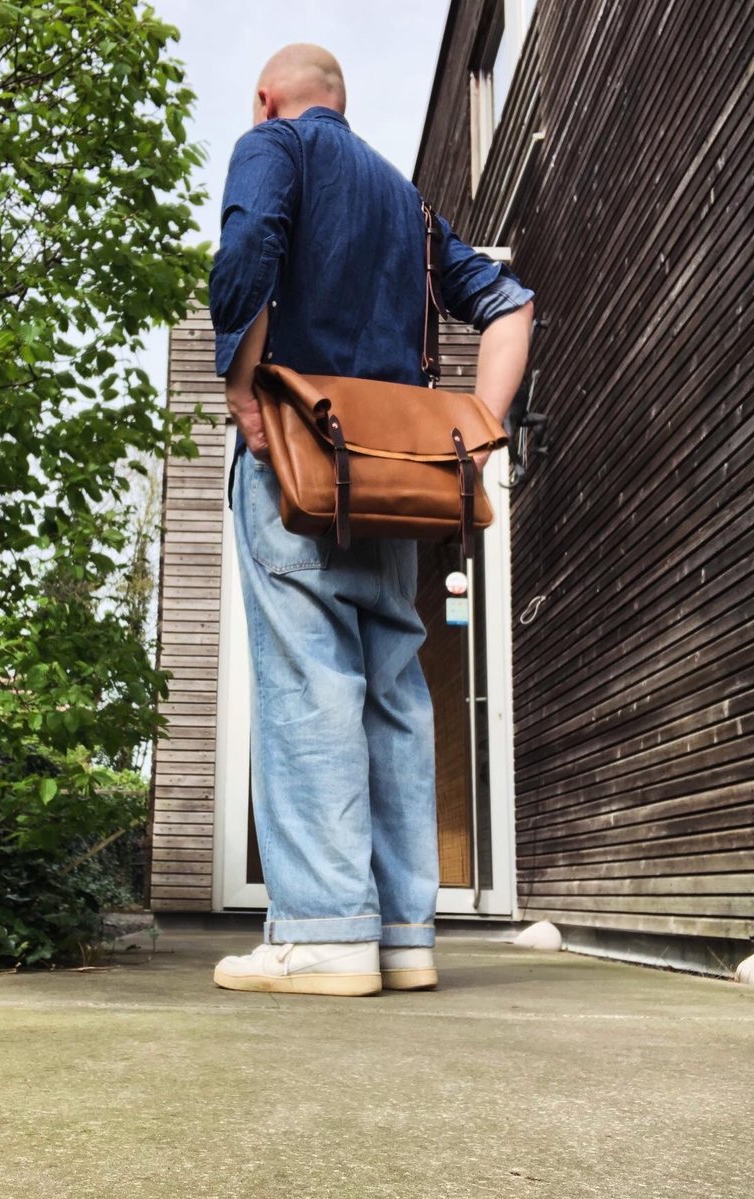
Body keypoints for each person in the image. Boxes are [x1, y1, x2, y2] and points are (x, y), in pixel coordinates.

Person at [208, 44, 534, 996]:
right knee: (394, 687)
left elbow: (249, 252)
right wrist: (481, 429)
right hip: (394, 480)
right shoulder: (409, 204)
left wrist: (243, 388)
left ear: (270, 99)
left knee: (310, 680)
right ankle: (403, 937)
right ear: (342, 104)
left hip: (299, 468)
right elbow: (510, 307)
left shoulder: (274, 146)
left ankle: (322, 936)